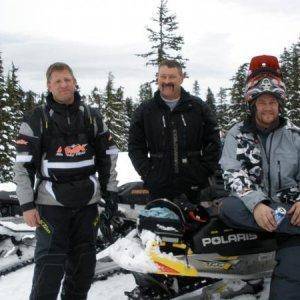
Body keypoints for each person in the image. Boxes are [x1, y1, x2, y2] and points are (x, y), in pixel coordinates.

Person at [14, 62, 118, 300]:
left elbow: (108, 158)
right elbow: (22, 167)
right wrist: (27, 205)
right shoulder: (35, 119)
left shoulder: (92, 117)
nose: (63, 84)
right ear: (49, 86)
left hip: (87, 205)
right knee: (49, 270)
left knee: (83, 271)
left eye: (67, 79)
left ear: (74, 81)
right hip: (51, 207)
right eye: (58, 81)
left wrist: (110, 194)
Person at [128, 59, 221, 297]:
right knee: (161, 232)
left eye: (172, 76)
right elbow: (135, 147)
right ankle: (160, 282)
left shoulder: (197, 107)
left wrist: (202, 170)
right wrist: (149, 173)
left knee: (196, 230)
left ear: (181, 78)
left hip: (194, 182)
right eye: (163, 76)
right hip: (160, 182)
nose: (167, 81)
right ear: (157, 78)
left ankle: (202, 276)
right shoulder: (146, 110)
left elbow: (213, 141)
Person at [219, 55, 300, 300]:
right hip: (251, 210)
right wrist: (256, 204)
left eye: (272, 102)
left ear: (280, 104)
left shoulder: (295, 135)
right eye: (262, 101)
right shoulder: (237, 134)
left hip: (288, 207)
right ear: (253, 103)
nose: (268, 107)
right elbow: (232, 171)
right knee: (229, 206)